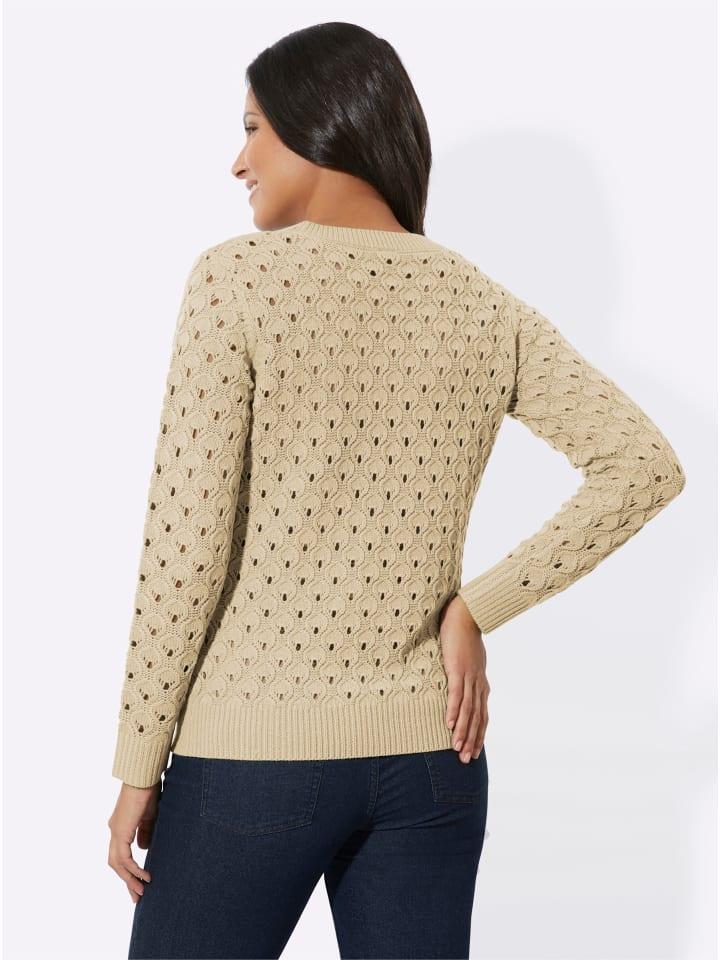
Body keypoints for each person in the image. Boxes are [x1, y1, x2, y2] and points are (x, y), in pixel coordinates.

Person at [106, 21, 686, 960]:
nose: (237, 162)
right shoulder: (482, 302)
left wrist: (138, 762)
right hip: (433, 762)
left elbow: (186, 548)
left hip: (254, 758)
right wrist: (473, 610)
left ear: (319, 123)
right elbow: (643, 464)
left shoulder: (235, 280)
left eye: (252, 130)